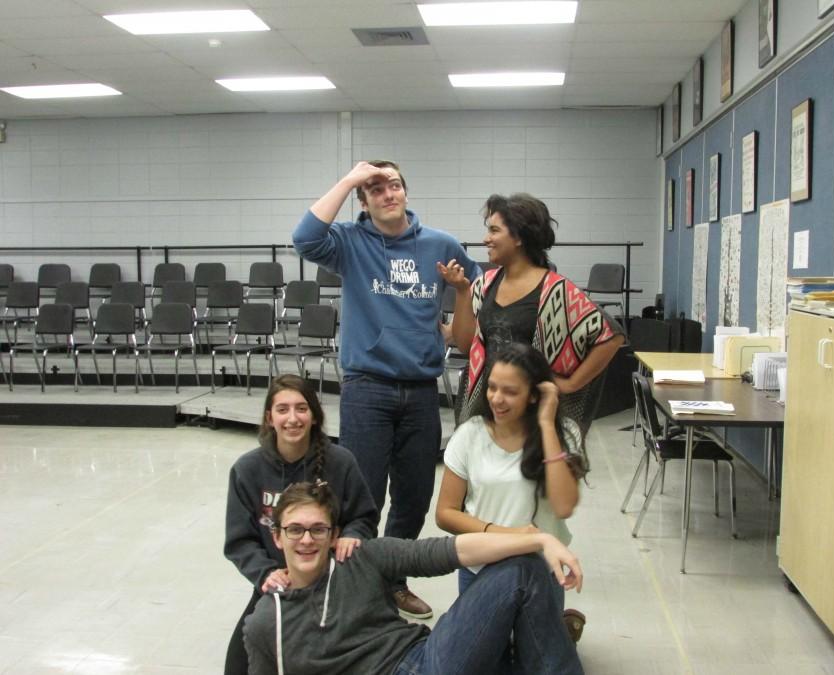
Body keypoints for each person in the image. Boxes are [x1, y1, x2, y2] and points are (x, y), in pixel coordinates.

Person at [292, 160, 480, 619]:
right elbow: (304, 238)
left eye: (393, 185)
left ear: (406, 192)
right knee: (362, 496)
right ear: (364, 199)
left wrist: (456, 300)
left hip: (420, 390)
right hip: (367, 388)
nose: (387, 193)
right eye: (375, 188)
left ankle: (391, 580)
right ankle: (356, 587)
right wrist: (350, 178)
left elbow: (473, 292)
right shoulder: (351, 243)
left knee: (414, 499)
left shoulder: (440, 243)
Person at [243, 481, 585, 675]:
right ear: (277, 537)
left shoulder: (361, 557)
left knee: (522, 567)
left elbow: (449, 551)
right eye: (295, 530)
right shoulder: (265, 622)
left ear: (334, 535)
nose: (306, 540)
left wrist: (540, 539)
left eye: (318, 529)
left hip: (426, 658)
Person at [224, 375, 378, 675]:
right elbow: (239, 541)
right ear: (269, 418)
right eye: (282, 410)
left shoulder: (341, 462)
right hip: (279, 582)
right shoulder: (246, 470)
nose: (292, 418)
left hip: (333, 582)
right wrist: (266, 574)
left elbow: (364, 516)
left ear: (314, 416)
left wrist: (352, 534)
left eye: (301, 408)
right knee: (238, 664)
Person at [435, 342, 589, 641]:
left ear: (535, 395)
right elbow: (445, 513)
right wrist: (506, 535)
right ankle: (562, 628)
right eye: (492, 388)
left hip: (541, 571)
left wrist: (546, 425)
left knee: (535, 659)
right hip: (481, 566)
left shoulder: (563, 433)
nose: (497, 399)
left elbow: (564, 506)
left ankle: (559, 628)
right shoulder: (471, 434)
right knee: (483, 657)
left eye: (510, 391)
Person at [438, 192, 625, 431]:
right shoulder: (485, 285)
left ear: (518, 236)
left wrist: (572, 384)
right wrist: (463, 291)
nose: (486, 239)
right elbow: (465, 346)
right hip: (489, 408)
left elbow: (612, 336)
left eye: (494, 230)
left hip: (534, 416)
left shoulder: (556, 290)